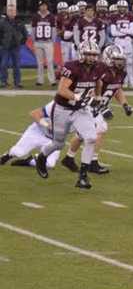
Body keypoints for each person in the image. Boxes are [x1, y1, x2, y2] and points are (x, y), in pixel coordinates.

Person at [35, 41, 105, 189]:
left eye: (94, 55)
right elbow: (61, 90)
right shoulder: (72, 67)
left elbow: (98, 82)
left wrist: (98, 98)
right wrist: (78, 97)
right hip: (62, 109)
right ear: (81, 54)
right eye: (89, 54)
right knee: (58, 144)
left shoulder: (98, 68)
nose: (92, 57)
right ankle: (41, 157)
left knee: (91, 137)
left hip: (80, 110)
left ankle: (83, 176)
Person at [62, 45, 133, 175]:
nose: (120, 62)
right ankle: (92, 162)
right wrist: (99, 104)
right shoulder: (99, 69)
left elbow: (117, 89)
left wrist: (125, 104)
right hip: (89, 103)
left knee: (84, 133)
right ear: (108, 58)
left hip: (98, 104)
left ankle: (69, 157)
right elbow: (92, 88)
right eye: (117, 59)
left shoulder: (121, 73)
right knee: (100, 128)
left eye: (121, 59)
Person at [0, 101, 61, 169]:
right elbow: (34, 114)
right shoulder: (55, 105)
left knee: (50, 164)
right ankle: (7, 155)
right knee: (18, 152)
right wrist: (47, 125)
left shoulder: (74, 116)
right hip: (37, 132)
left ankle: (29, 161)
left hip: (52, 139)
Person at [31, 0, 57, 86]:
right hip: (38, 42)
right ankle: (40, 80)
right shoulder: (35, 16)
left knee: (49, 62)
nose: (43, 7)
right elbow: (33, 29)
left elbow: (53, 29)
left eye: (44, 5)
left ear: (47, 6)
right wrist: (34, 40)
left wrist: (52, 40)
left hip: (48, 42)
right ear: (39, 7)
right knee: (40, 62)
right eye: (41, 6)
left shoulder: (51, 16)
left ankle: (52, 80)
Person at [1, 5, 27, 89]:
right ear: (7, 12)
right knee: (3, 65)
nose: (11, 12)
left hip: (16, 47)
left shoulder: (20, 22)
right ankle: (3, 81)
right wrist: (1, 44)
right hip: (5, 48)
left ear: (16, 12)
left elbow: (25, 34)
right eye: (9, 11)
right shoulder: (2, 22)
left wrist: (20, 42)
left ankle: (18, 82)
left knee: (16, 65)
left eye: (13, 11)